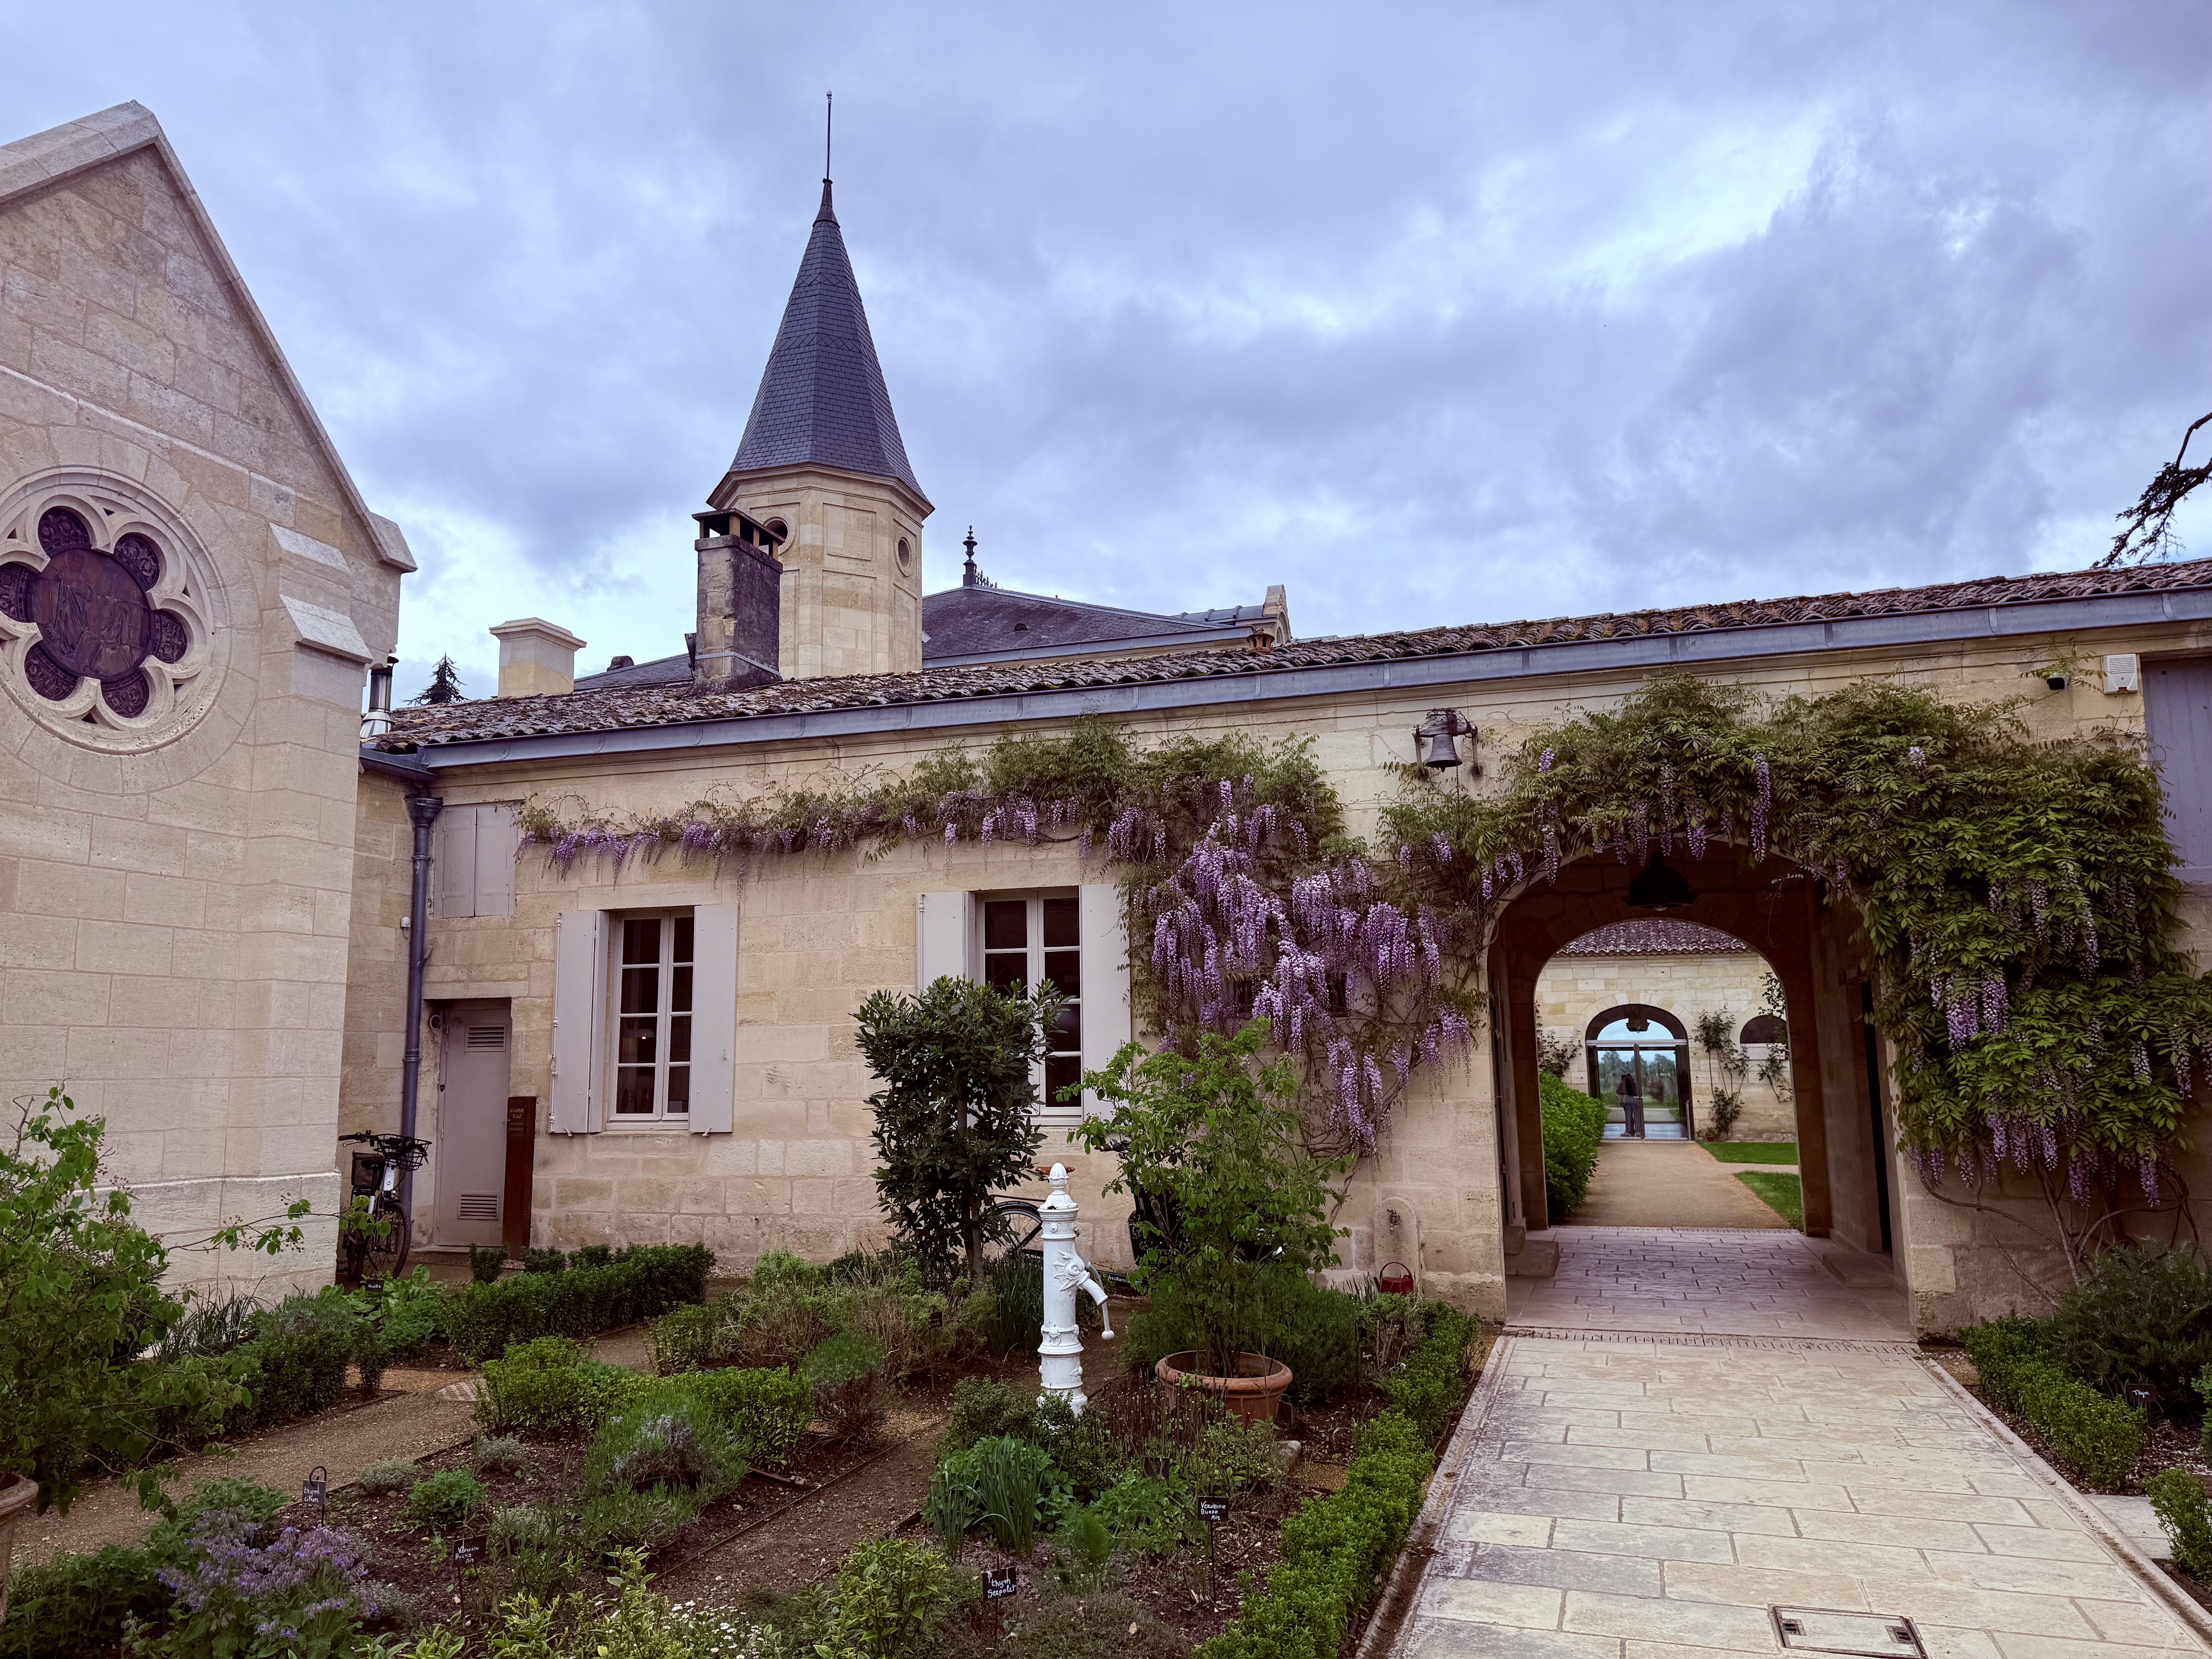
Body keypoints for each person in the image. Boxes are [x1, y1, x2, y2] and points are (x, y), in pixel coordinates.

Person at [1616, 1068, 1644, 1138]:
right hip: (1635, 1101)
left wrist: (1622, 1082)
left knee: (1628, 1117)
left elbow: (1619, 1091)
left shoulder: (1624, 1084)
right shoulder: (1634, 1084)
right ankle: (1638, 1131)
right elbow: (1639, 1092)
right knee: (1637, 1116)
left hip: (1627, 1101)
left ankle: (1628, 1131)